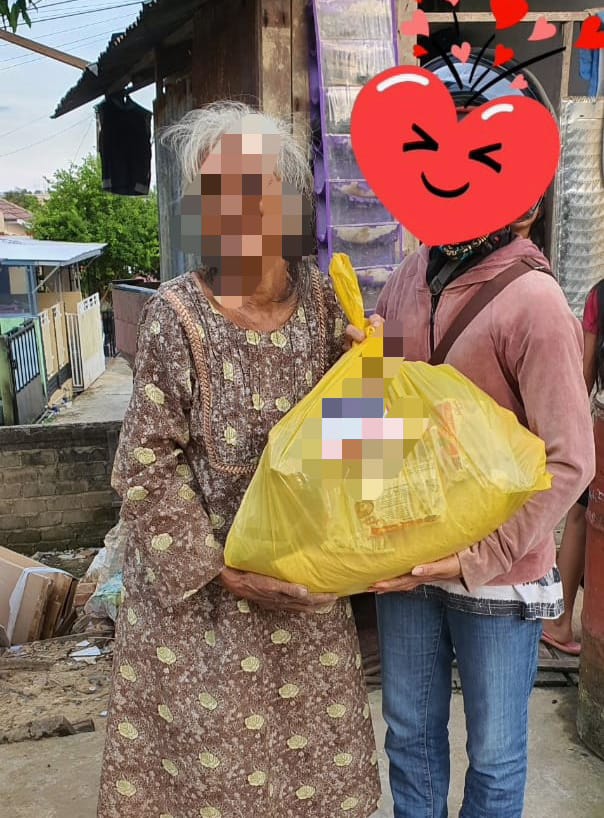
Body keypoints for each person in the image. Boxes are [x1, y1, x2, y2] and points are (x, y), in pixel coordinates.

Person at [97, 102, 381, 818]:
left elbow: (360, 459)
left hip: (303, 609)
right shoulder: (174, 316)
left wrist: (369, 372)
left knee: (314, 788)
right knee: (202, 791)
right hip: (202, 613)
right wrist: (226, 570)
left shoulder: (329, 305)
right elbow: (145, 468)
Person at [347, 54, 595, 818]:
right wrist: (357, 385)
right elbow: (376, 410)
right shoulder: (405, 279)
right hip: (409, 562)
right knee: (409, 736)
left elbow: (571, 461)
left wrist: (476, 556)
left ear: (527, 194)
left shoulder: (535, 303)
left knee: (495, 753)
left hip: (499, 574)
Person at [541, 278, 604, 654]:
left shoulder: (599, 294)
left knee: (580, 514)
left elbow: (585, 373)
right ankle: (561, 621)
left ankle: (560, 621)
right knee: (581, 515)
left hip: (600, 424)